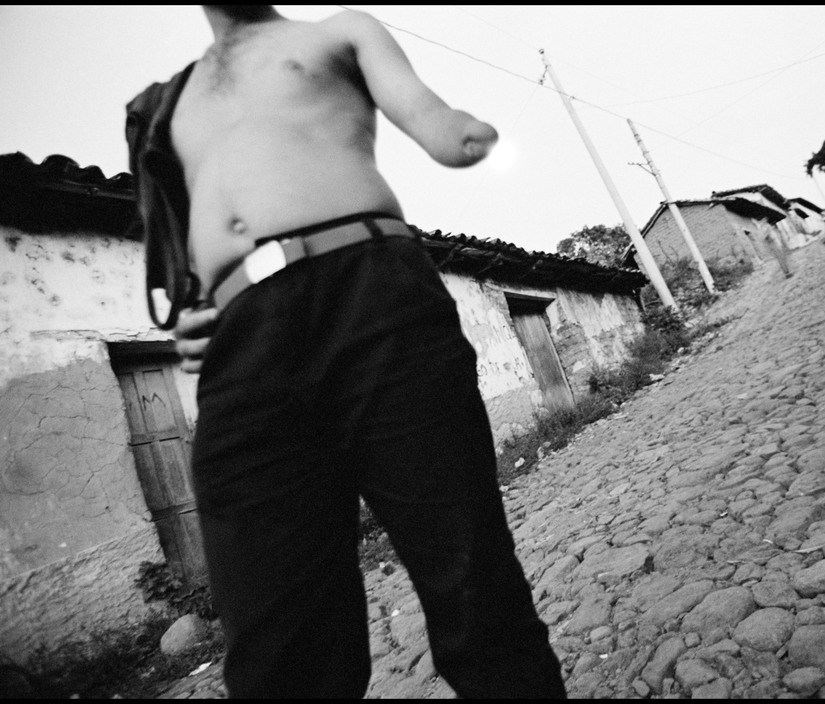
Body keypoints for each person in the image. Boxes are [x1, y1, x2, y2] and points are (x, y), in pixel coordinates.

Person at [125, 6, 566, 699]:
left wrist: (463, 133)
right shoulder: (164, 106)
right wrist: (192, 311)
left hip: (373, 295)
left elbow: (428, 114)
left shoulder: (337, 31)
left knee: (471, 578)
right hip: (242, 343)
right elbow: (181, 240)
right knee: (276, 646)